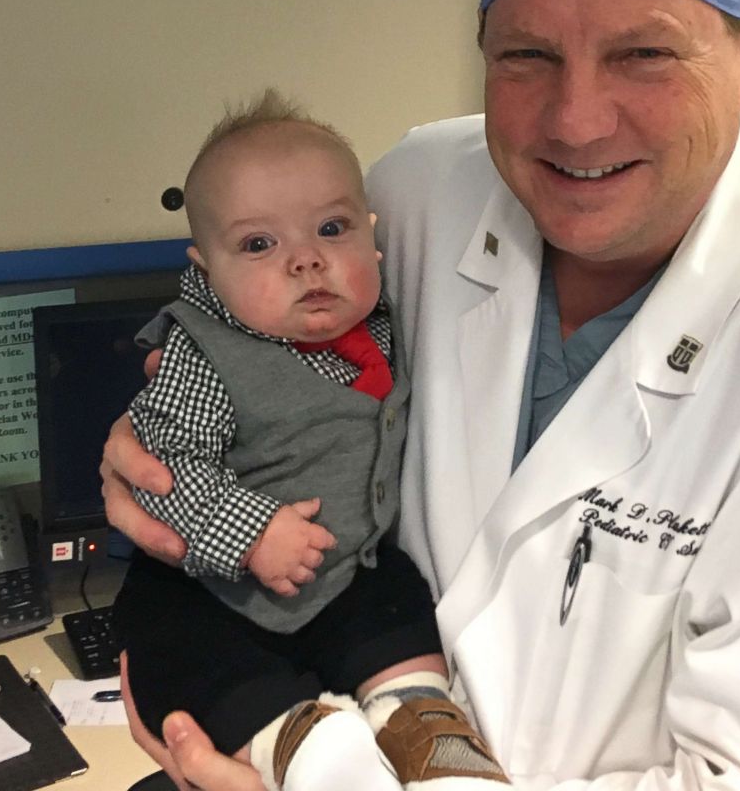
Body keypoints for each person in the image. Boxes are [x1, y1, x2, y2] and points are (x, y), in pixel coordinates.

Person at [102, 0, 740, 791]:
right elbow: (252, 331)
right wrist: (156, 442)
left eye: (643, 55)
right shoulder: (415, 197)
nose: (576, 120)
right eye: (528, 54)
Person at [112, 92, 510, 791]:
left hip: (344, 573)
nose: (307, 262)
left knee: (396, 608)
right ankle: (310, 748)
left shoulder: (386, 322)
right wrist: (251, 530)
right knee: (193, 665)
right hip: (209, 591)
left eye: (331, 229)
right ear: (206, 270)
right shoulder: (205, 354)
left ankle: (423, 727)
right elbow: (161, 466)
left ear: (371, 234)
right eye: (259, 244)